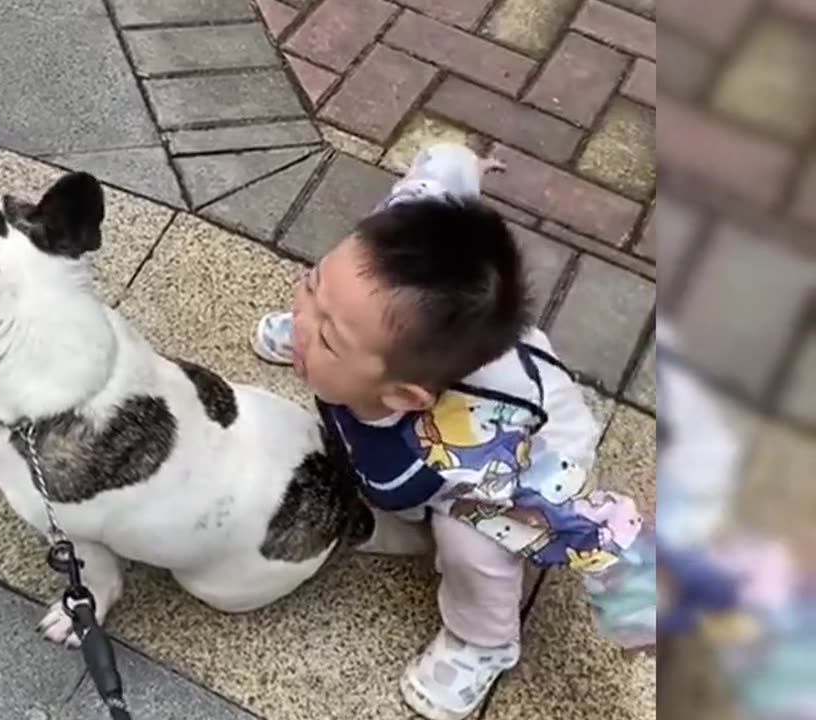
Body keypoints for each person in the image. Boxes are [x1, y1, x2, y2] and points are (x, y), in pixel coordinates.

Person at [251, 143, 649, 720]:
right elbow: (433, 185)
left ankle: (483, 643)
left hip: (529, 452)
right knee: (352, 318)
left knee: (473, 543)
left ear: (402, 398)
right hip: (413, 374)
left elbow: (580, 526)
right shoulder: (386, 263)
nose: (305, 320)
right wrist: (465, 162)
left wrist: (641, 605)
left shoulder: (485, 459)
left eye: (329, 337)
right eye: (310, 288)